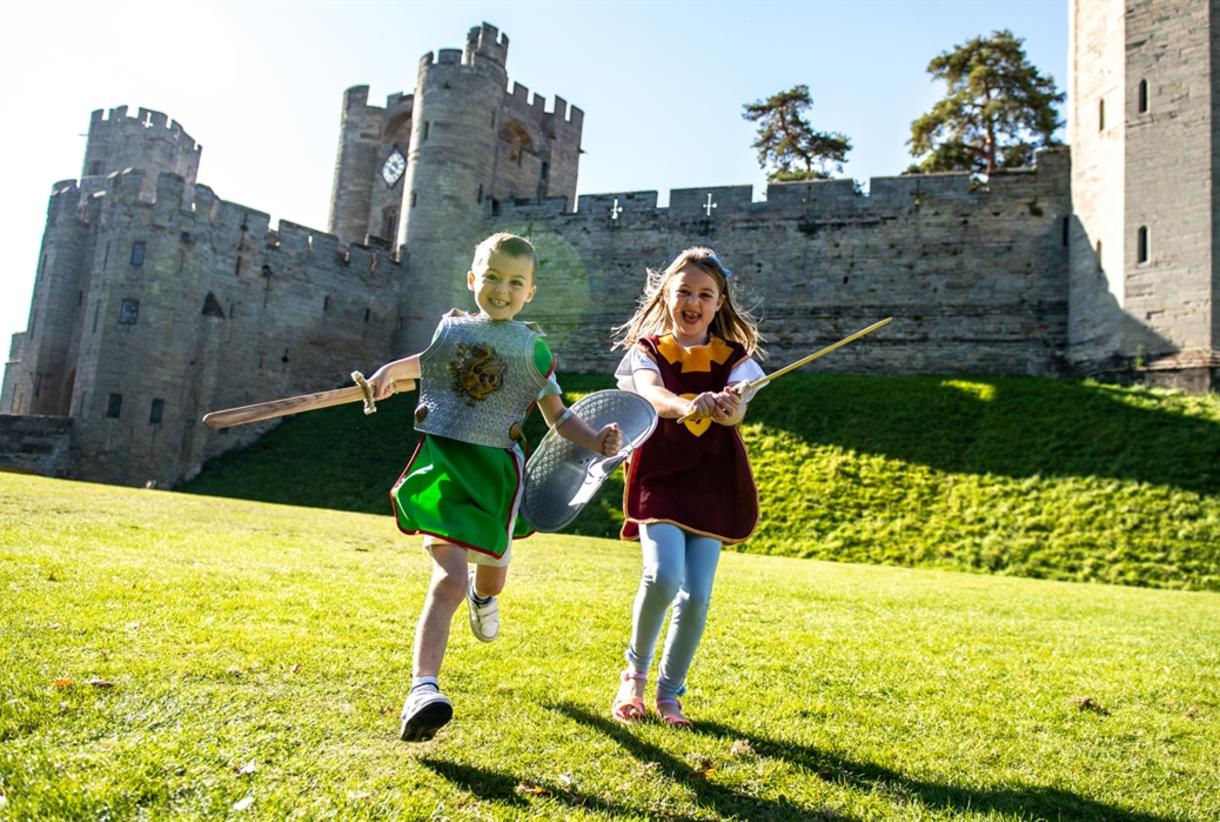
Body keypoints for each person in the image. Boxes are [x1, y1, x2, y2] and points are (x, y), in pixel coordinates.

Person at [366, 232, 622, 742]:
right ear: (472, 279)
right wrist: (382, 379)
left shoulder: (533, 350)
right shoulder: (452, 333)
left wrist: (595, 440)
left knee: (488, 581)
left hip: (497, 481)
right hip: (444, 470)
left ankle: (486, 600)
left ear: (530, 292)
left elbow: (559, 416)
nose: (501, 289)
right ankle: (423, 689)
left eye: (514, 282)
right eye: (492, 277)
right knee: (447, 582)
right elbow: (416, 368)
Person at [609, 247, 765, 728]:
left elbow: (739, 408)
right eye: (684, 292)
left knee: (697, 595)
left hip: (714, 479)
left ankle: (669, 694)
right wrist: (686, 405)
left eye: (705, 294)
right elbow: (652, 395)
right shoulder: (647, 351)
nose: (693, 302)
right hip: (660, 471)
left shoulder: (736, 358)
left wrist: (727, 406)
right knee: (662, 576)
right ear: (666, 296)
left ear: (719, 304)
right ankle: (633, 678)